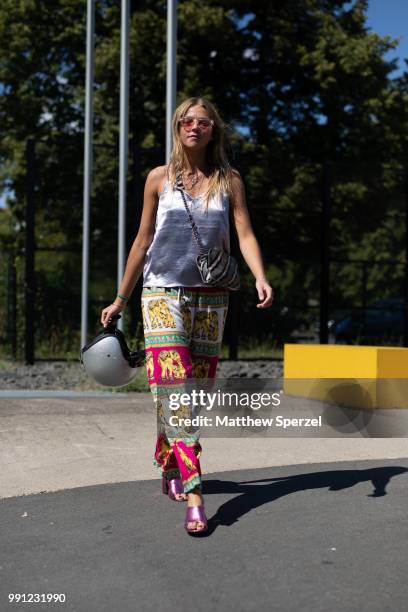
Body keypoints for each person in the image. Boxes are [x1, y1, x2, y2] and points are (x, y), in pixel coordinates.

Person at [100, 96, 273, 534]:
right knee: (174, 388)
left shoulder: (229, 180)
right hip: (161, 296)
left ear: (214, 129)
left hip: (212, 298)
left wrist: (260, 276)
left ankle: (169, 461)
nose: (194, 127)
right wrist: (122, 298)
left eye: (203, 121)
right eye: (187, 121)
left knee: (191, 394)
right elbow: (142, 241)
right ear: (177, 129)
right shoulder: (159, 179)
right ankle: (194, 492)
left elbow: (245, 232)